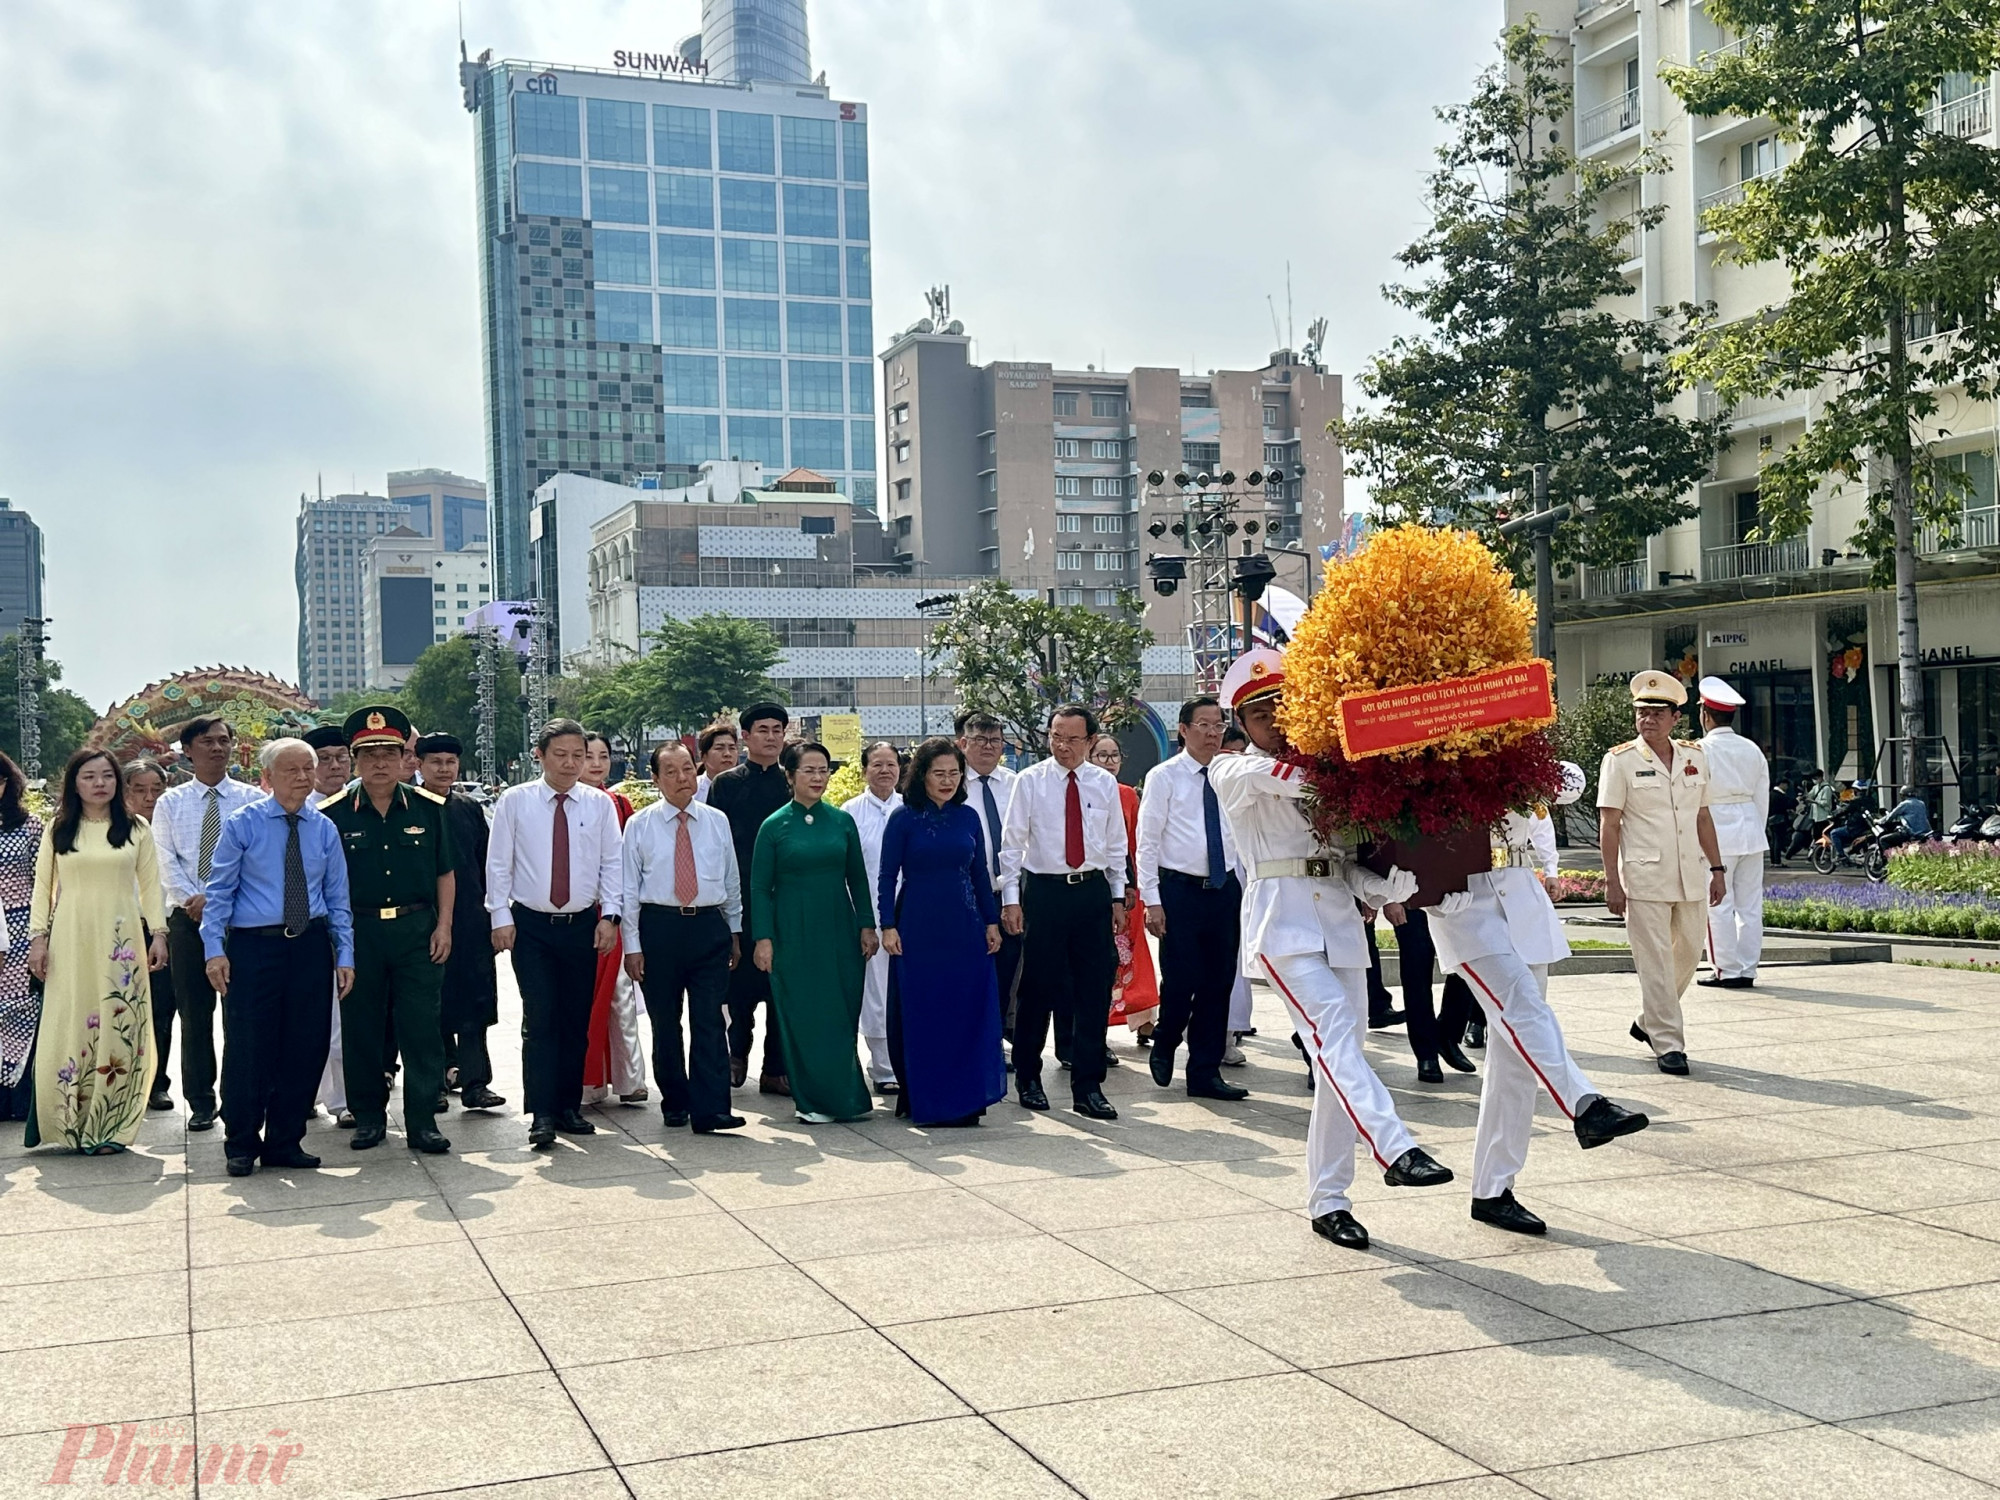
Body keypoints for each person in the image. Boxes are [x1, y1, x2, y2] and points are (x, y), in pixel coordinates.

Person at [1208, 648, 1453, 1250]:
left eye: (1284, 707)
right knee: (1335, 1033)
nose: (1274, 718)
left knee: (1337, 1058)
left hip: (1340, 924)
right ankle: (1395, 1146)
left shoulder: (1331, 776)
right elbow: (1282, 778)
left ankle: (1329, 1200)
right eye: (1259, 711)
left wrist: (1391, 883)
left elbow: (1345, 863)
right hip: (1283, 924)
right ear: (1241, 721)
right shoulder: (1233, 769)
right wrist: (1366, 765)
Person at [1411, 769, 1650, 1235]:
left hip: (1520, 901)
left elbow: (1571, 785)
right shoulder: (1433, 754)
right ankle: (1585, 1104)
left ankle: (1493, 1190)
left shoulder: (1519, 750)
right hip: (1467, 908)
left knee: (1515, 1057)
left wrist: (1520, 763)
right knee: (1524, 1011)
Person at [201, 739, 355, 1175]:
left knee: (306, 1046)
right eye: (292, 770)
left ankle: (285, 1140)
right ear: (267, 777)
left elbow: (337, 897)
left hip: (309, 944)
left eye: (309, 768)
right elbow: (219, 892)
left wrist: (345, 955)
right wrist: (214, 950)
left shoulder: (323, 828)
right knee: (250, 1046)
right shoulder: (242, 824)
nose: (304, 777)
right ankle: (241, 1142)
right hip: (254, 946)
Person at [320, 706, 455, 1154]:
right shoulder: (334, 814)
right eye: (369, 753)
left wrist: (445, 927)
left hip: (418, 930)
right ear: (355, 760)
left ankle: (422, 1121)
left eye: (389, 753)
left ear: (405, 759)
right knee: (362, 1029)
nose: (379, 762)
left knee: (421, 1027)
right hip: (359, 933)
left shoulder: (429, 809)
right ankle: (369, 1117)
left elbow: (445, 873)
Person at [488, 718, 624, 1148]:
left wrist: (611, 916)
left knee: (575, 1019)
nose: (570, 764)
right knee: (541, 1018)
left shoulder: (598, 805)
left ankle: (568, 1107)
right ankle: (541, 1112)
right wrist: (499, 918)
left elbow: (612, 864)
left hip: (583, 925)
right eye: (561, 755)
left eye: (578, 756)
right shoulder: (515, 801)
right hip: (532, 925)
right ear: (540, 756)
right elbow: (498, 863)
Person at [23, 751, 167, 1153]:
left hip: (121, 945)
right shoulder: (59, 829)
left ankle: (112, 1124)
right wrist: (39, 939)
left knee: (121, 1024)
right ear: (75, 783)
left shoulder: (136, 829)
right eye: (89, 776)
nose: (100, 783)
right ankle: (67, 1121)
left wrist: (158, 933)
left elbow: (151, 886)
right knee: (70, 1020)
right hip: (70, 939)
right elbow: (43, 888)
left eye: (107, 775)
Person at [999, 703, 1127, 1121]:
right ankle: (1029, 1077)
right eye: (1056, 736)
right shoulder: (1030, 781)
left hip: (1090, 892)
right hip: (1044, 892)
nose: (1063, 746)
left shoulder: (1103, 784)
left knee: (1093, 988)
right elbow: (1012, 844)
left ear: (1091, 741)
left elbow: (1115, 845)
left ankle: (1088, 1087)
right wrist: (1011, 900)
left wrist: (1117, 897)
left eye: (1072, 739)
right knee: (1038, 987)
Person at [1599, 670, 1726, 1076]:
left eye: (1657, 713)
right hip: (1644, 877)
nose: (1647, 719)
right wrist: (1612, 881)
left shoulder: (1694, 756)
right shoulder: (1619, 760)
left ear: (1676, 718)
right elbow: (1610, 824)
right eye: (1641, 713)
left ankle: (1647, 1020)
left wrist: (1718, 869)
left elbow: (1703, 816)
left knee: (1688, 955)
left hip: (1691, 873)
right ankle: (1669, 1044)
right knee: (1654, 961)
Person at [878, 738, 1005, 1126]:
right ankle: (925, 1098)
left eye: (954, 773)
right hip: (916, 926)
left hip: (964, 927)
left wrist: (991, 921)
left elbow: (980, 874)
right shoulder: (903, 818)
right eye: (939, 773)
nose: (948, 781)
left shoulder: (968, 817)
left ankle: (965, 1098)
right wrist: (887, 925)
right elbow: (886, 876)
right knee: (924, 1011)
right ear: (922, 775)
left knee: (964, 1009)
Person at [750, 742, 877, 1123]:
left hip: (838, 927)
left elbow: (857, 876)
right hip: (793, 930)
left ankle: (847, 1096)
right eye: (808, 770)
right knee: (804, 1013)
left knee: (840, 1012)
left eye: (823, 770)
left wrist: (866, 924)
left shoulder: (841, 821)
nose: (818, 777)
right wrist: (764, 938)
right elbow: (759, 887)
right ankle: (812, 1100)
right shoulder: (774, 826)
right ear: (790, 776)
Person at [622, 742, 744, 1133]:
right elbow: (628, 892)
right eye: (670, 772)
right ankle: (675, 1101)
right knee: (665, 1021)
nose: (681, 778)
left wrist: (735, 930)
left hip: (708, 927)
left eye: (687, 769)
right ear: (655, 779)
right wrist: (633, 946)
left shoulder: (716, 821)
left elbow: (731, 880)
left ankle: (712, 1109)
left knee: (709, 1018)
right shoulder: (639, 825)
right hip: (660, 928)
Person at [152, 717, 261, 1131]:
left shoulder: (252, 800)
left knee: (242, 1012)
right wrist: (193, 900)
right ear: (187, 751)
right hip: (187, 920)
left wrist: (219, 901)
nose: (218, 748)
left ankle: (241, 1096)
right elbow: (166, 861)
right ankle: (200, 1100)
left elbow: (256, 859)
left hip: (241, 920)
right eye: (207, 742)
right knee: (194, 1013)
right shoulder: (170, 803)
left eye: (224, 741)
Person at [1137, 696, 1248, 1101]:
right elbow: (1146, 842)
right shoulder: (1164, 776)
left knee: (1219, 984)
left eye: (1218, 725)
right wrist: (1151, 899)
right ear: (1183, 730)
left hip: (1224, 889)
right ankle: (1166, 1037)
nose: (1212, 733)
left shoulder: (1232, 774)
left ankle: (1204, 1071)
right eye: (1203, 725)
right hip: (1179, 891)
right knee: (1183, 979)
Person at [415, 733, 505, 1113]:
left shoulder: (468, 808)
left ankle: (475, 1083)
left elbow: (489, 863)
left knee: (473, 1004)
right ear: (419, 766)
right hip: (423, 922)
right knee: (427, 1006)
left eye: (450, 762)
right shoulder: (407, 808)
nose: (443, 768)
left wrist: (496, 914)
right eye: (435, 761)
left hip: (470, 920)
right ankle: (432, 1085)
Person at [707, 703, 792, 1094]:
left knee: (781, 987)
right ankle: (736, 1053)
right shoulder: (726, 785)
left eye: (778, 729)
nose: (771, 736)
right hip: (740, 897)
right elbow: (714, 845)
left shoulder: (791, 782)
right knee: (740, 984)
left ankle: (776, 1068)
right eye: (763, 730)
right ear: (746, 737)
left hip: (786, 897)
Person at [579, 731, 647, 1105]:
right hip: (579, 911)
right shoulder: (571, 802)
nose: (596, 763)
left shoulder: (621, 804)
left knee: (620, 995)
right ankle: (589, 1080)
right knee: (586, 998)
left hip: (615, 911)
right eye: (589, 756)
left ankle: (628, 1077)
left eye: (603, 756)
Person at [1696, 677, 1771, 991]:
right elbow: (1761, 797)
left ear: (1705, 715)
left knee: (1718, 903)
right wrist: (1756, 829)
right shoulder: (1751, 748)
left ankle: (1725, 970)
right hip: (1751, 830)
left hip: (1716, 830)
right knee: (1750, 906)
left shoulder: (1699, 750)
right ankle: (1747, 969)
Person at [842, 741, 903, 1093]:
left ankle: (905, 1058)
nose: (884, 771)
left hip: (906, 913)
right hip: (866, 915)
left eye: (891, 764)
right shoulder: (850, 813)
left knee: (901, 987)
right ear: (864, 770)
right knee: (874, 992)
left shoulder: (910, 809)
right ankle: (882, 1066)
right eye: (877, 764)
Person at [302, 724, 355, 1128]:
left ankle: (344, 1098)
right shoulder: (301, 812)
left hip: (357, 926)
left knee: (349, 1019)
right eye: (325, 759)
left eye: (342, 757)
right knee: (310, 1017)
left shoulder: (364, 803)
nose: (335, 766)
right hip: (311, 926)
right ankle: (306, 1093)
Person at [1090, 734, 1157, 1048]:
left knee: (1135, 954)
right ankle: (1096, 1028)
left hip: (1127, 885)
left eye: (1114, 755)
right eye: (1101, 756)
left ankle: (1143, 1020)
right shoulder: (1084, 791)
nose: (1109, 762)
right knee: (1099, 959)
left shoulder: (1128, 794)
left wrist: (1135, 885)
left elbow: (1135, 843)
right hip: (1092, 886)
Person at [122, 759, 179, 1115]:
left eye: (156, 790)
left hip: (161, 928)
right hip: (119, 928)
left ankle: (157, 1084)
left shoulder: (169, 826)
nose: (149, 798)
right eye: (139, 790)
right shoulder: (113, 830)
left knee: (161, 1010)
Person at [956, 711, 1019, 1037]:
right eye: (979, 740)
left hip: (1009, 895)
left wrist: (1013, 898)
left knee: (1005, 975)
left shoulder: (1016, 784)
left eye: (994, 740)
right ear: (963, 743)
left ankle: (994, 1042)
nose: (988, 747)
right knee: (969, 974)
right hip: (965, 895)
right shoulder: (952, 786)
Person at [0, 751, 38, 1123]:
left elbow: (47, 883)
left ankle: (18, 1097)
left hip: (21, 929)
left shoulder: (29, 827)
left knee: (19, 1012)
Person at [694, 721, 739, 804]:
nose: (727, 754)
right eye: (719, 748)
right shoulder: (693, 791)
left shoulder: (747, 786)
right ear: (703, 756)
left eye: (732, 748)